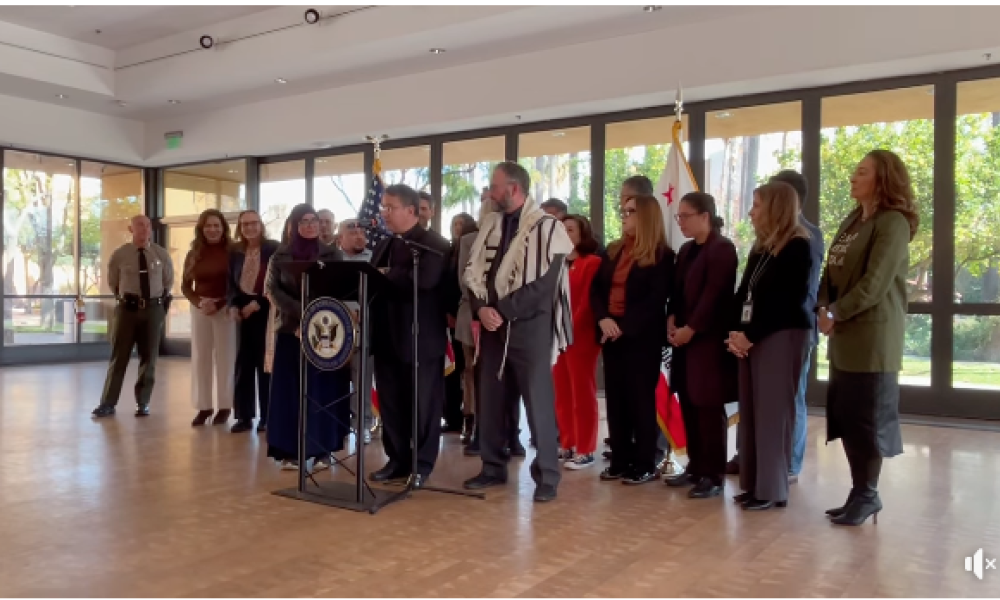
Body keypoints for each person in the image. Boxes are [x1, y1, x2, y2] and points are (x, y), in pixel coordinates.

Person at [462, 161, 574, 503]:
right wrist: (482, 309)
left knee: (538, 402)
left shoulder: (549, 228)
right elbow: (472, 273)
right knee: (492, 400)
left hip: (529, 328)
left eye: (494, 187)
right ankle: (493, 467)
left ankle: (547, 477)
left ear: (513, 188)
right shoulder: (490, 224)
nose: (490, 193)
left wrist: (503, 310)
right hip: (493, 327)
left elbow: (544, 286)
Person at [817, 149, 918, 526]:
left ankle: (868, 494)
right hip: (843, 335)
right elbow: (830, 274)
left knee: (867, 420)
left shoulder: (893, 223)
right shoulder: (852, 221)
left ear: (882, 179)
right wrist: (823, 308)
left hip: (873, 338)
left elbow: (874, 284)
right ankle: (858, 491)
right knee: (846, 415)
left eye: (862, 172)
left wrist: (836, 313)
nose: (852, 178)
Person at [728, 182, 814, 511]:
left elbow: (788, 303)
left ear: (776, 207)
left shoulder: (797, 246)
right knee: (750, 411)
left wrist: (750, 335)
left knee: (772, 414)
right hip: (753, 337)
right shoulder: (761, 248)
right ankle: (753, 483)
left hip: (782, 335)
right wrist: (734, 332)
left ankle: (772, 489)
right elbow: (743, 295)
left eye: (757, 205)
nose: (751, 212)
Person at [368, 184, 451, 489]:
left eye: (390, 208)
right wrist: (391, 275)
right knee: (391, 402)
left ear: (411, 211)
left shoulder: (434, 244)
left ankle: (422, 464)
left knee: (423, 404)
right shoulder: (385, 245)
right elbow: (373, 279)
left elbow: (424, 281)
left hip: (421, 337)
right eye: (383, 208)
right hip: (386, 335)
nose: (384, 213)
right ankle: (398, 459)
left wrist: (390, 275)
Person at [591, 197, 675, 483]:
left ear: (647, 217)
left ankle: (645, 462)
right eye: (623, 211)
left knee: (640, 400)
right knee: (615, 399)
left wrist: (623, 327)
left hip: (642, 338)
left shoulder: (662, 255)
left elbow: (656, 299)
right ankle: (620, 459)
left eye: (630, 212)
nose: (624, 217)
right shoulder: (612, 251)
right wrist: (603, 318)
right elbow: (596, 291)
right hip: (610, 334)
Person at [265, 204, 350, 470]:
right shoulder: (280, 255)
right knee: (290, 391)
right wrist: (303, 313)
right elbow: (272, 290)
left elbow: (340, 286)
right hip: (292, 330)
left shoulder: (332, 253)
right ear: (293, 225)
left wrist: (315, 316)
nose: (310, 225)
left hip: (324, 332)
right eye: (304, 221)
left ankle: (323, 449)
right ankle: (291, 451)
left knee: (322, 391)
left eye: (314, 220)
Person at [665, 192, 738, 499]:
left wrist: (691, 328)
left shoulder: (722, 249)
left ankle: (713, 474)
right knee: (690, 402)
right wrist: (671, 318)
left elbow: (715, 296)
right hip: (683, 337)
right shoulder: (686, 250)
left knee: (708, 405)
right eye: (678, 216)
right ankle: (695, 466)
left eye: (685, 216)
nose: (680, 222)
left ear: (705, 216)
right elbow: (677, 291)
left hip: (706, 340)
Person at [769, 169, 824, 483]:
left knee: (793, 396)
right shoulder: (772, 234)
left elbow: (801, 289)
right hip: (771, 329)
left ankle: (791, 462)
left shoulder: (806, 235)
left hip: (795, 327)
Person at [92, 215, 174, 418]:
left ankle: (143, 402)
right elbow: (114, 283)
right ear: (131, 229)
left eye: (147, 225)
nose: (144, 229)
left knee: (149, 358)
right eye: (139, 225)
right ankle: (108, 403)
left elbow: (167, 282)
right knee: (119, 357)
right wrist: (129, 299)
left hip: (153, 310)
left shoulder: (160, 254)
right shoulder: (120, 255)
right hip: (127, 310)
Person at [553, 214, 603, 470]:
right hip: (557, 336)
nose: (566, 233)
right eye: (562, 229)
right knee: (561, 390)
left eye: (570, 229)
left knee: (582, 392)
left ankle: (586, 448)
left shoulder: (591, 263)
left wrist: (569, 326)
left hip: (580, 336)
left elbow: (588, 302)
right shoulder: (556, 263)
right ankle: (568, 442)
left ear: (582, 234)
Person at [182, 209, 237, 427]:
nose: (212, 230)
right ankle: (203, 406)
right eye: (208, 226)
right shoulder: (194, 253)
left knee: (226, 358)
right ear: (201, 229)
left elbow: (237, 283)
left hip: (225, 308)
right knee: (201, 357)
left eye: (216, 226)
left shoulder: (233, 251)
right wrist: (199, 302)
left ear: (223, 228)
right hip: (201, 309)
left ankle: (225, 406)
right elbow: (185, 286)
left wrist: (220, 303)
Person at [227, 209, 280, 434]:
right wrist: (232, 305)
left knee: (264, 365)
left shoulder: (273, 248)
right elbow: (230, 282)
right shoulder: (235, 252)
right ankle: (243, 416)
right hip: (242, 312)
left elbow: (277, 281)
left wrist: (258, 303)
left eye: (254, 223)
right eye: (245, 224)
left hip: (266, 309)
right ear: (240, 227)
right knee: (243, 366)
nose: (250, 228)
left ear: (261, 225)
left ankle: (267, 417)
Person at [338, 218, 374, 443]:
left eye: (362, 232)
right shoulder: (331, 259)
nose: (359, 235)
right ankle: (338, 426)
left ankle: (363, 424)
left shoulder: (373, 258)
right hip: (336, 329)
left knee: (362, 378)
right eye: (352, 231)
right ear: (340, 237)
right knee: (336, 382)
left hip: (365, 327)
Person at [444, 213, 479, 437]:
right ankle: (457, 418)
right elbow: (447, 283)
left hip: (471, 315)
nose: (458, 227)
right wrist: (449, 311)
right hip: (455, 316)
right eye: (454, 223)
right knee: (457, 370)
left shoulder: (473, 244)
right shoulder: (450, 250)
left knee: (472, 370)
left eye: (462, 224)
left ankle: (474, 419)